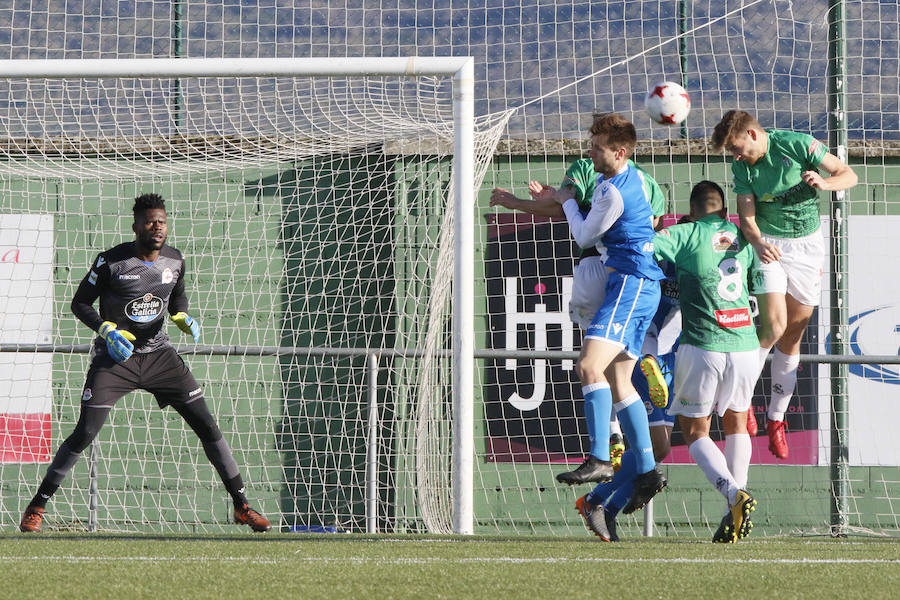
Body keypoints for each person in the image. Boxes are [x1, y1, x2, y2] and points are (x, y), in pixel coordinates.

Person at [18, 193, 271, 533]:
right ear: (135, 225)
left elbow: (176, 296)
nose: (157, 227)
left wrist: (182, 316)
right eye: (150, 221)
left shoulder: (175, 260)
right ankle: (37, 506)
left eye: (162, 222)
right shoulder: (110, 262)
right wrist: (105, 329)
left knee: (208, 426)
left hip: (160, 357)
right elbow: (80, 304)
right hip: (116, 359)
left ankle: (242, 506)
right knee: (86, 431)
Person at [490, 155, 670, 468]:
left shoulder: (587, 170)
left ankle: (610, 439)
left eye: (596, 145)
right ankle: (648, 364)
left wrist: (518, 203)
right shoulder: (646, 181)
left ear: (612, 150)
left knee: (594, 364)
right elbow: (656, 224)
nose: (593, 152)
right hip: (637, 272)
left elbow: (563, 210)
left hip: (594, 265)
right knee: (621, 359)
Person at [711, 110, 858, 460]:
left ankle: (776, 419)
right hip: (770, 246)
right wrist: (759, 242)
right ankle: (741, 400)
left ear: (752, 133)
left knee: (793, 333)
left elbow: (847, 174)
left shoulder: (796, 144)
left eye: (736, 147)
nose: (735, 155)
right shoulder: (743, 168)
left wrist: (825, 183)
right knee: (773, 325)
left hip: (808, 246)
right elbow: (747, 216)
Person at [549, 113, 666, 514]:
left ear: (618, 152)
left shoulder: (614, 192)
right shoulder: (615, 180)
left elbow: (582, 235)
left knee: (587, 366)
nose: (589, 152)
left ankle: (600, 457)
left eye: (596, 147)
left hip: (632, 285)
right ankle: (648, 470)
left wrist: (566, 201)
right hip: (634, 284)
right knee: (620, 381)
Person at [655, 180, 759, 542]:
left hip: (703, 345)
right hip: (747, 345)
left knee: (695, 430)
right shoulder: (742, 236)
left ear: (693, 209)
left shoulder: (685, 233)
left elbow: (642, 248)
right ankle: (735, 509)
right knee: (737, 423)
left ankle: (734, 495)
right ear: (726, 209)